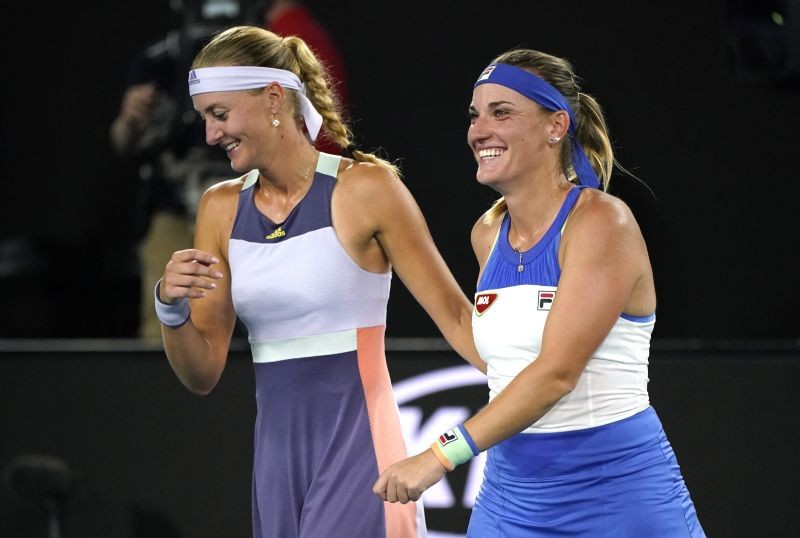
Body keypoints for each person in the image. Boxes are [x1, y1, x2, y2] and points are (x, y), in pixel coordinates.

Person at [154, 25, 484, 538]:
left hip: (361, 455)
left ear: (272, 99)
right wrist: (170, 310)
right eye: (204, 118)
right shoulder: (218, 208)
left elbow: (460, 319)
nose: (210, 135)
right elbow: (202, 374)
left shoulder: (368, 189)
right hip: (275, 466)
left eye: (219, 115)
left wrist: (539, 390)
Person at [373, 49, 706, 537]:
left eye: (501, 112)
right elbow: (498, 354)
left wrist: (440, 454)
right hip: (510, 497)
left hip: (617, 494)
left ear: (556, 126)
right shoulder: (486, 234)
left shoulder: (601, 222)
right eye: (475, 115)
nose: (478, 130)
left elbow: (556, 373)